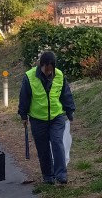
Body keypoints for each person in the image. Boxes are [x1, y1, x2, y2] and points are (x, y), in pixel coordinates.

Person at [18, 50, 75, 185]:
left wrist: (69, 111)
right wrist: (23, 115)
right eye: (47, 70)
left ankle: (61, 174)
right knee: (43, 148)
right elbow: (24, 97)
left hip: (56, 117)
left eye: (51, 70)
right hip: (37, 119)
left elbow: (66, 94)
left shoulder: (59, 75)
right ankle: (48, 175)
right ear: (41, 65)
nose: (49, 72)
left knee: (57, 142)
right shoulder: (29, 77)